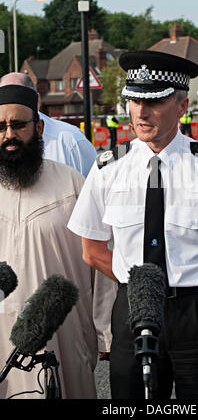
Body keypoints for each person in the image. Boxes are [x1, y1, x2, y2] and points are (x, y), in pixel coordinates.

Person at [68, 50, 198, 400]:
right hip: (133, 310)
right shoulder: (107, 169)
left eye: (154, 102)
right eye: (134, 100)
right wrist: (143, 287)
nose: (140, 112)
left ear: (182, 106)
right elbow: (92, 250)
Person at [0, 83, 117, 399]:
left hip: (62, 334)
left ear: (37, 127)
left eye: (18, 124)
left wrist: (107, 332)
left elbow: (101, 259)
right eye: (1, 127)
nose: (9, 135)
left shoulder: (71, 183)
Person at [0, 73, 97, 178]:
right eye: (3, 96)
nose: (9, 134)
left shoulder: (70, 141)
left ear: (37, 100)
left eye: (17, 96)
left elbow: (96, 188)